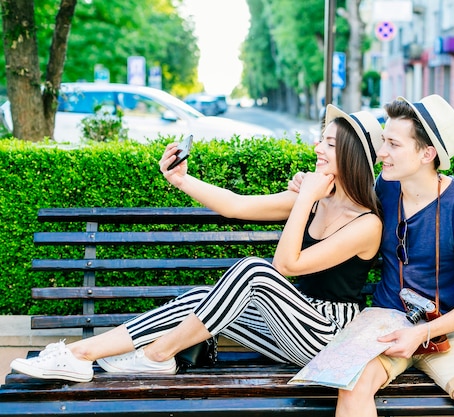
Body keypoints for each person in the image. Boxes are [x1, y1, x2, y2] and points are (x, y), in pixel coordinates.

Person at [9, 105, 384, 383]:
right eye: (321, 138)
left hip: (330, 335)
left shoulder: (366, 223)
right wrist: (181, 180)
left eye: (329, 143)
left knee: (253, 271)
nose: (318, 147)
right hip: (293, 323)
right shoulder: (318, 197)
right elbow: (238, 206)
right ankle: (77, 354)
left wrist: (303, 199)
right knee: (200, 297)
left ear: (351, 155)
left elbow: (285, 266)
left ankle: (157, 353)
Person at [290, 95, 454, 416]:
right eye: (384, 141)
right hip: (384, 323)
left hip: (447, 329)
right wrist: (304, 182)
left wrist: (423, 332)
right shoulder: (385, 186)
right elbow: (338, 189)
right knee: (351, 387)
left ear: (427, 153)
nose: (382, 153)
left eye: (393, 144)